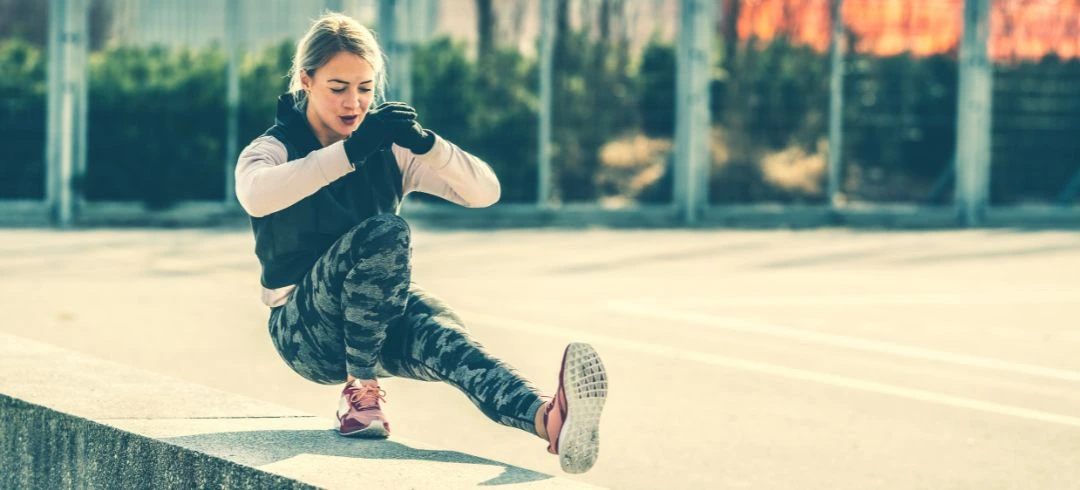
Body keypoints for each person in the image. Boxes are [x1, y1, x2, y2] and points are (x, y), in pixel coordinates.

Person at [233, 13, 607, 474]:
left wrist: (427, 144)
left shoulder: (389, 150)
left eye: (365, 88)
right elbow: (257, 195)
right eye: (338, 88)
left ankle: (547, 419)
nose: (354, 102)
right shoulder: (272, 149)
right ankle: (360, 391)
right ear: (306, 81)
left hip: (369, 322)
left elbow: (484, 192)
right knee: (386, 232)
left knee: (443, 334)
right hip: (305, 333)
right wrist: (350, 152)